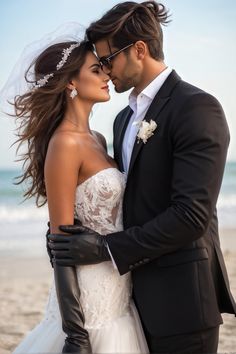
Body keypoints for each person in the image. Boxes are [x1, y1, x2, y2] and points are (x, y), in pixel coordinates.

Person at [48, 1, 236, 353]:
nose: (105, 70)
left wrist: (104, 248)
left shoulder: (197, 107)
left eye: (107, 59)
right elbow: (127, 199)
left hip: (183, 305)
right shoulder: (121, 121)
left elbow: (191, 216)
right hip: (130, 303)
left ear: (138, 50)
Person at [9, 38, 148, 353]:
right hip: (88, 303)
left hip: (117, 291)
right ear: (71, 81)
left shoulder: (97, 139)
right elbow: (60, 243)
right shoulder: (64, 144)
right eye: (97, 70)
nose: (106, 76)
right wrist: (75, 334)